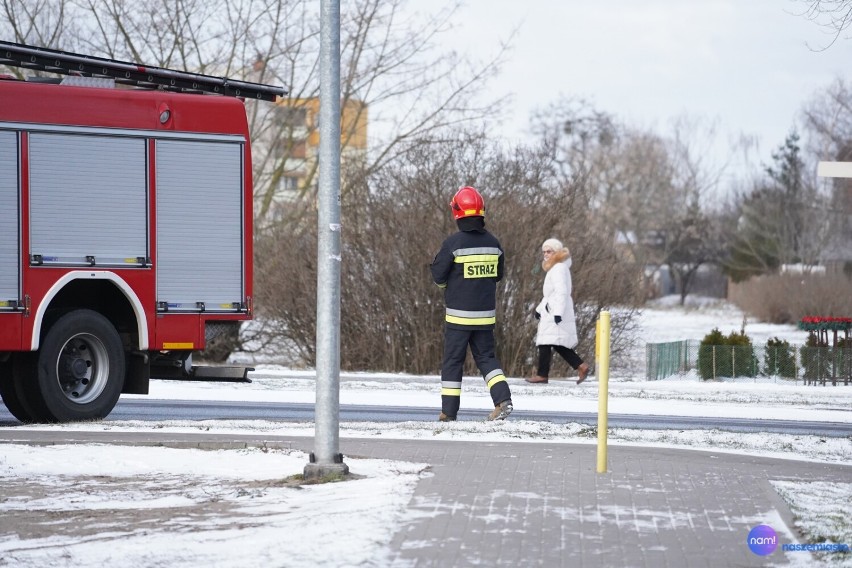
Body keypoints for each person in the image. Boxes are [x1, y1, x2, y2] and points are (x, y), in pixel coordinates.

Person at [430, 186, 513, 422]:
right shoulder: (494, 244)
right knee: (487, 358)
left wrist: (450, 287)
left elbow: (438, 275)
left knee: (453, 361)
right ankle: (502, 400)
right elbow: (497, 275)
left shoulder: (453, 244)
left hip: (458, 317)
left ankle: (448, 412)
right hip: (485, 316)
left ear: (457, 212)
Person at [526, 238, 590, 385]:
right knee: (556, 343)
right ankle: (581, 366)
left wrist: (557, 314)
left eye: (549, 251)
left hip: (555, 311)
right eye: (544, 252)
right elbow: (549, 295)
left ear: (557, 252)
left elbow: (561, 292)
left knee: (546, 343)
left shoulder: (559, 268)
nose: (546, 254)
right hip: (551, 309)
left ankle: (542, 375)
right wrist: (539, 310)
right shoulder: (555, 268)